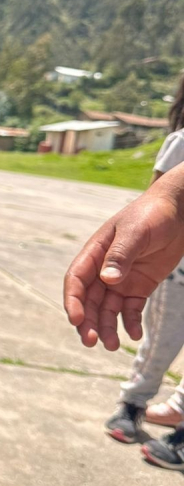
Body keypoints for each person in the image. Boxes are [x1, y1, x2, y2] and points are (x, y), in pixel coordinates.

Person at [104, 80, 184, 444]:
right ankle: (133, 404)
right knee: (160, 342)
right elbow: (154, 201)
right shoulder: (180, 142)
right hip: (176, 272)